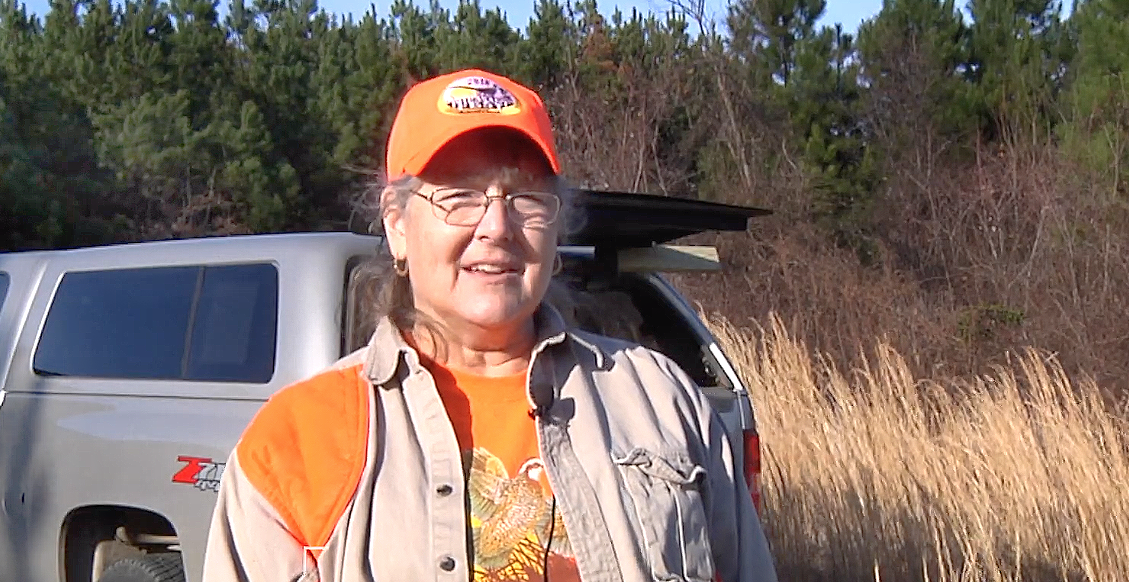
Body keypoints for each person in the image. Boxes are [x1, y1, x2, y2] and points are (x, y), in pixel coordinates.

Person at [201, 68, 778, 582]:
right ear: (398, 226)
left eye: (526, 198)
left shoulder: (661, 401)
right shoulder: (294, 441)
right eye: (459, 196)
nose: (497, 226)